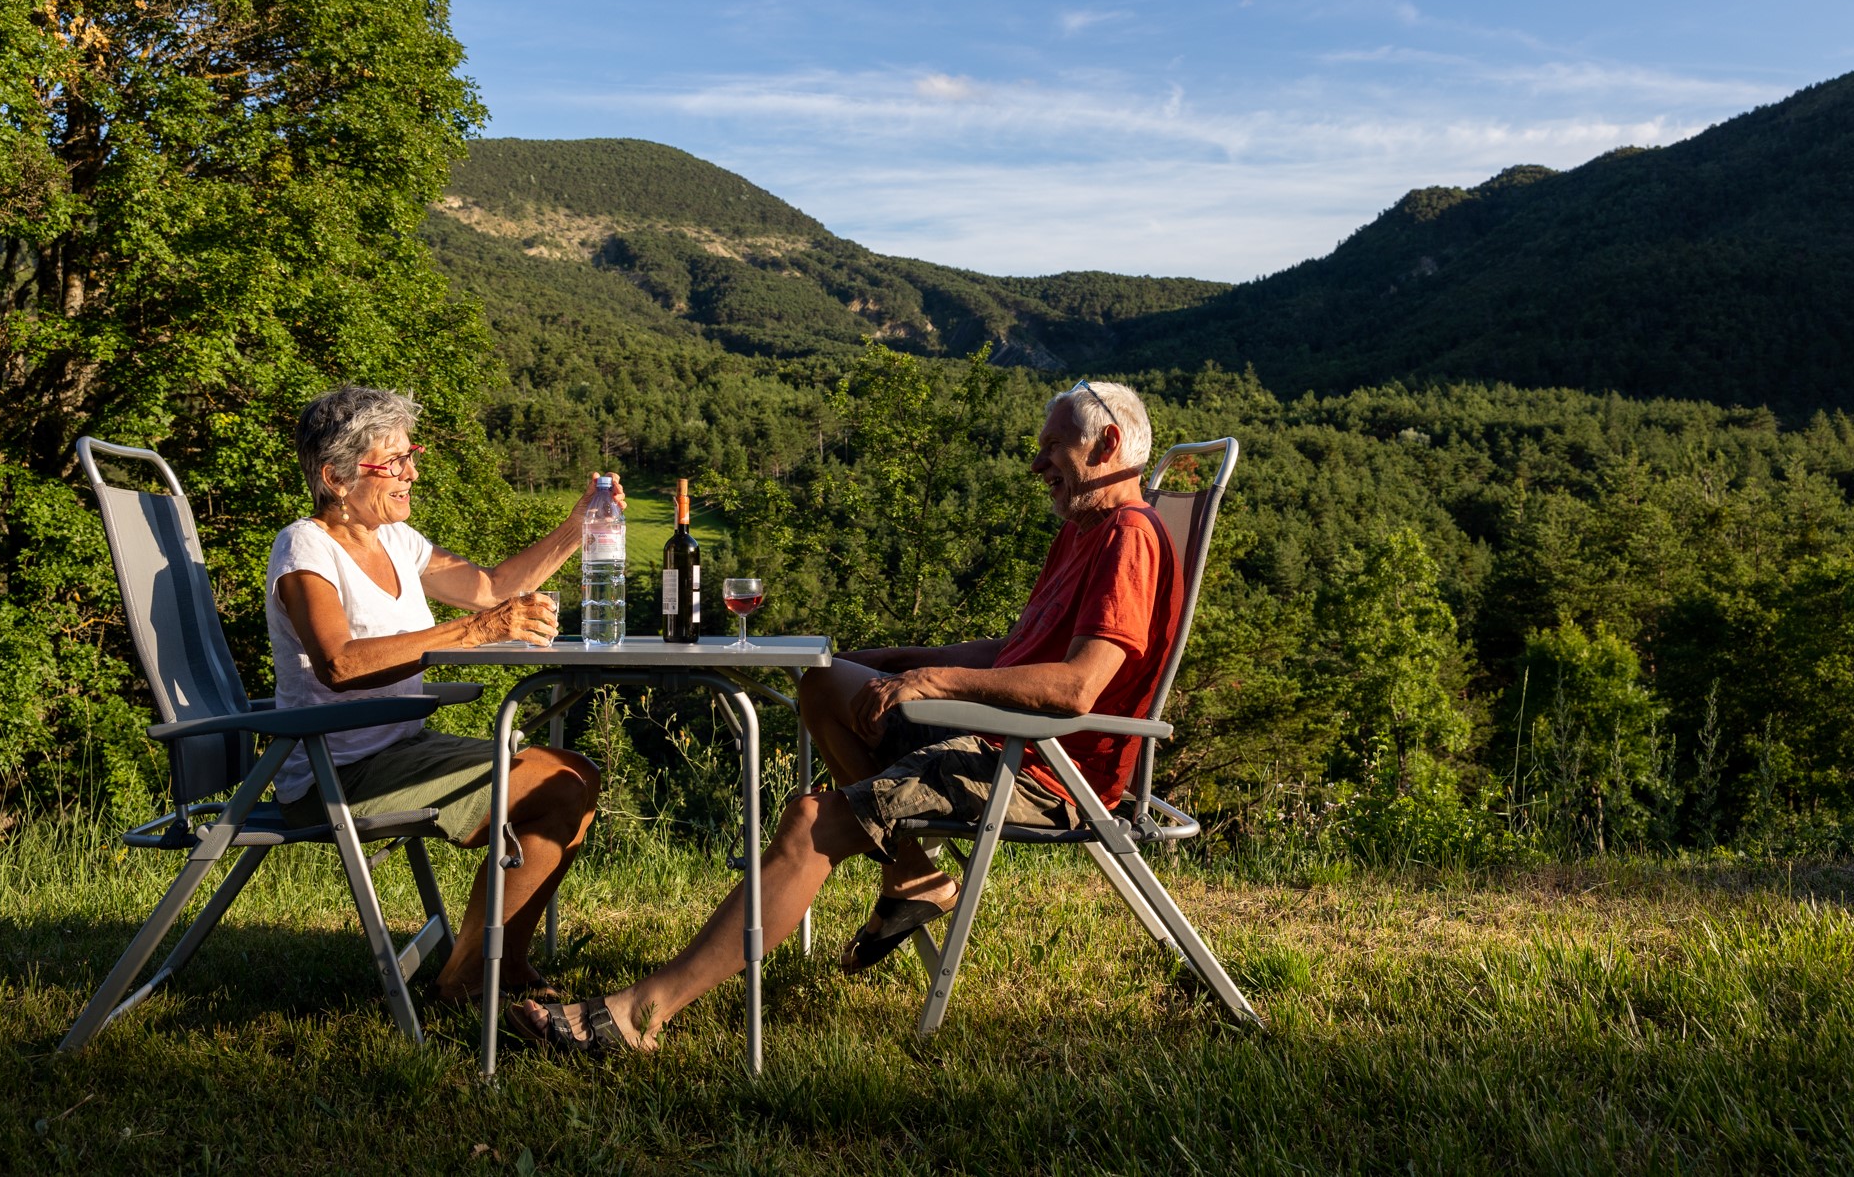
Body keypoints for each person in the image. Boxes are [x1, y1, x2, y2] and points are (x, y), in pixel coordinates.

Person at [514, 379, 1183, 1052]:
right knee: (825, 681)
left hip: (1039, 770)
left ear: (1109, 443)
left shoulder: (1128, 535)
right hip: (1000, 739)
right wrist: (900, 658)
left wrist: (934, 680)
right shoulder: (1082, 531)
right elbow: (1013, 653)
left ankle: (639, 1013)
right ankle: (912, 870)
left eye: (1051, 448)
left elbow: (1075, 687)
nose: (1036, 464)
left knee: (812, 821)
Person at [268, 385, 622, 1006]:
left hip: (400, 744)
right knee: (558, 782)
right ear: (336, 477)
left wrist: (577, 527)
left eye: (412, 455)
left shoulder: (396, 542)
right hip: (335, 771)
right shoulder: (306, 547)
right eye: (394, 463)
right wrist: (480, 631)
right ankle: (470, 979)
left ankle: (490, 968)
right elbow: (339, 664)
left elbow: (491, 588)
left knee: (574, 775)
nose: (412, 472)